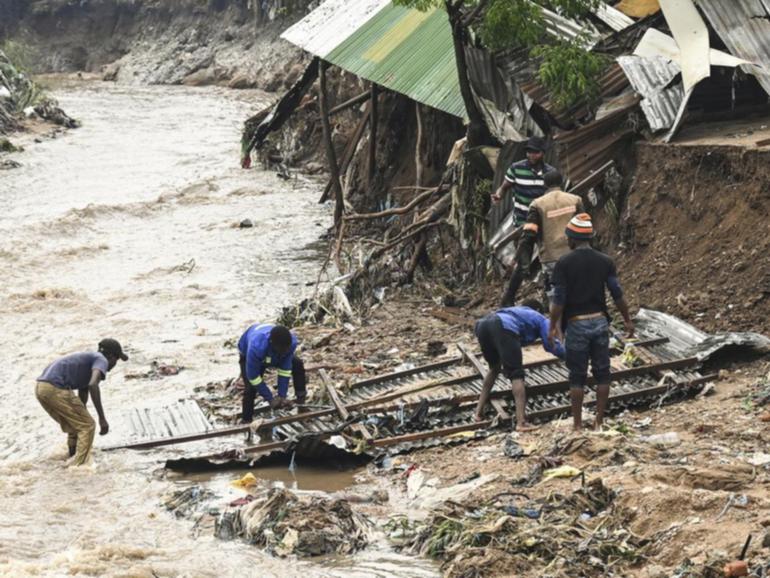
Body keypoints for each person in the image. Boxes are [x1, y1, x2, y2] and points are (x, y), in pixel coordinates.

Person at [547, 213, 634, 432]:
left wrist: (552, 325)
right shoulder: (605, 261)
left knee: (577, 376)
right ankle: (599, 422)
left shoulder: (563, 263)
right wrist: (627, 320)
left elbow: (559, 300)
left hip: (577, 324)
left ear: (572, 239)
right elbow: (617, 293)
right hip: (600, 323)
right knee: (602, 372)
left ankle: (577, 425)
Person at [474, 299, 565, 431]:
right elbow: (550, 344)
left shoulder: (515, 311)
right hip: (503, 326)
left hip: (482, 325)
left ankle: (478, 413)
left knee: (494, 368)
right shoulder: (539, 317)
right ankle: (521, 422)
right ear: (538, 310)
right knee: (517, 374)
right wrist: (568, 355)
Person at [36, 338, 128, 466]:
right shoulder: (101, 359)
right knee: (88, 426)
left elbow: (84, 390)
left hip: (42, 388)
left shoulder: (88, 360)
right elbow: (93, 385)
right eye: (116, 360)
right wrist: (102, 418)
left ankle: (72, 457)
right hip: (56, 388)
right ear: (111, 356)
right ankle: (79, 467)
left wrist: (82, 411)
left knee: (76, 425)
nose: (114, 365)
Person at [502, 171, 584, 306]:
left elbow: (529, 234)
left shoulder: (537, 204)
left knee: (556, 295)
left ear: (545, 185)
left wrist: (518, 258)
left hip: (551, 256)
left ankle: (557, 323)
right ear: (562, 182)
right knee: (577, 291)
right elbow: (585, 227)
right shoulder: (575, 199)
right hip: (575, 254)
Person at [492, 136, 556, 306]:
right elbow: (504, 187)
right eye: (529, 151)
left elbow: (554, 196)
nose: (531, 155)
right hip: (522, 223)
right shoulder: (516, 169)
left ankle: (549, 298)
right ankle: (508, 299)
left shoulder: (550, 173)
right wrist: (498, 195)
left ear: (542, 153)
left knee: (548, 261)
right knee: (522, 264)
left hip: (543, 224)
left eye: (535, 152)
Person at [238, 323, 307, 423]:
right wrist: (270, 398)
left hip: (273, 354)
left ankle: (301, 403)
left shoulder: (291, 344)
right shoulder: (256, 347)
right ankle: (246, 420)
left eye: (286, 350)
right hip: (249, 353)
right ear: (271, 343)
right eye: (282, 350)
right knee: (250, 389)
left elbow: (285, 370)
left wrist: (282, 396)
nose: (284, 352)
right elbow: (253, 377)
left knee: (297, 364)